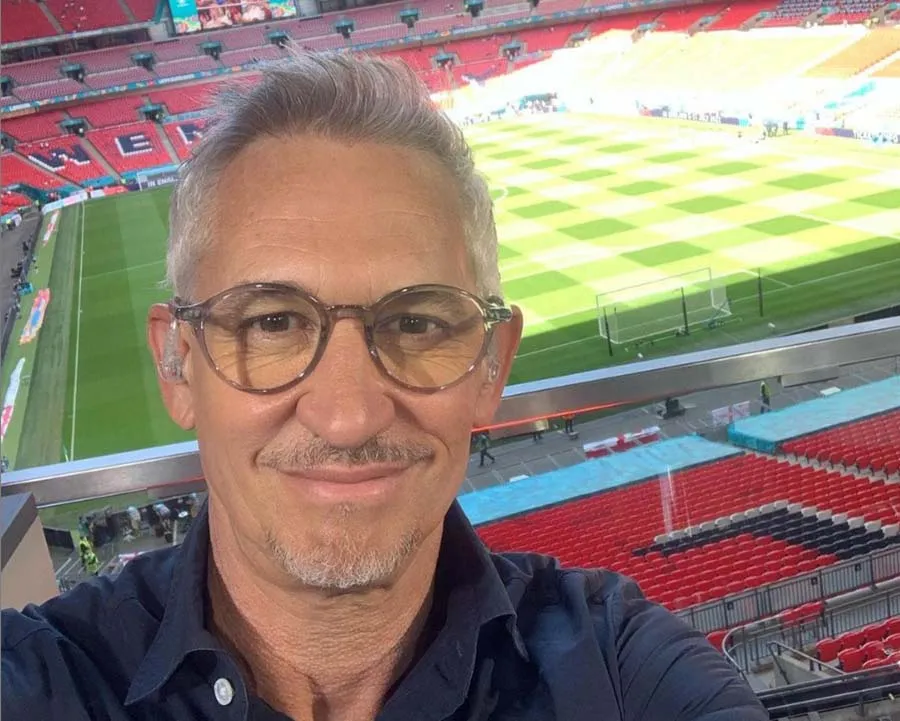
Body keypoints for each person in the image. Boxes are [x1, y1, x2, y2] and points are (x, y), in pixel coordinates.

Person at [1, 52, 767, 721]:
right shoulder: (42, 683)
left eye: (418, 324)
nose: (347, 414)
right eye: (271, 322)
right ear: (179, 364)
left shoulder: (624, 671)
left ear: (492, 367)